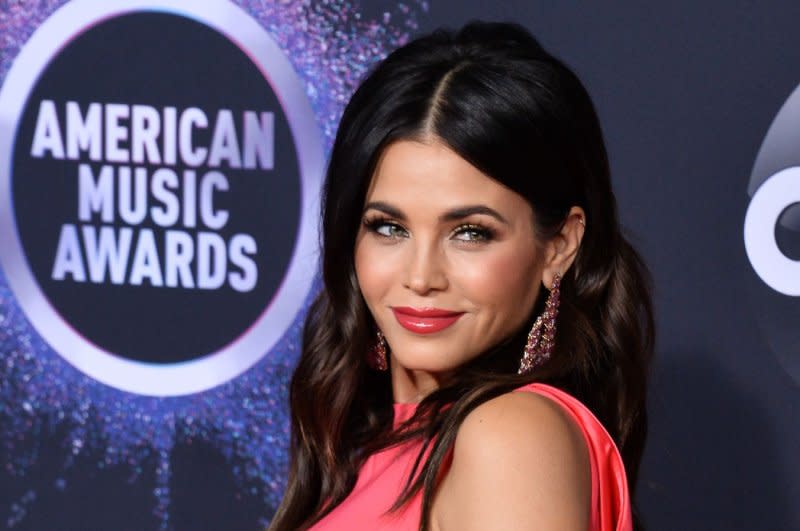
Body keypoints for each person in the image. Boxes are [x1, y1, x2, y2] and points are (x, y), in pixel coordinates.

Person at [269, 20, 654, 531]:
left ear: (558, 247)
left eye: (470, 233)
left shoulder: (510, 436)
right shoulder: (368, 448)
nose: (422, 276)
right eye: (389, 227)